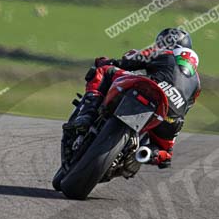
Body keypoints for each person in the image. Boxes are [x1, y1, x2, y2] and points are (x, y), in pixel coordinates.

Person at [67, 28, 201, 169]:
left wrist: (109, 62)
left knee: (104, 70)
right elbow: (187, 107)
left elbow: (129, 60)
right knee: (165, 155)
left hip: (152, 88)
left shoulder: (164, 52)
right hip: (173, 116)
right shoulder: (197, 82)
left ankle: (87, 113)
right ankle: (147, 153)